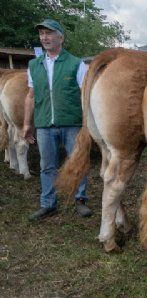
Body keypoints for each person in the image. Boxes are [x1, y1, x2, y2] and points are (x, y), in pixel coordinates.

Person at [22, 19, 92, 220]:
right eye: (42, 34)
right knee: (48, 165)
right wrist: (27, 124)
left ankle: (80, 200)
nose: (45, 37)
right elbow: (31, 96)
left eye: (50, 33)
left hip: (72, 123)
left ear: (61, 37)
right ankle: (48, 204)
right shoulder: (34, 65)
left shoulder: (77, 64)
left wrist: (88, 125)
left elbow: (85, 96)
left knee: (78, 161)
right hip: (44, 124)